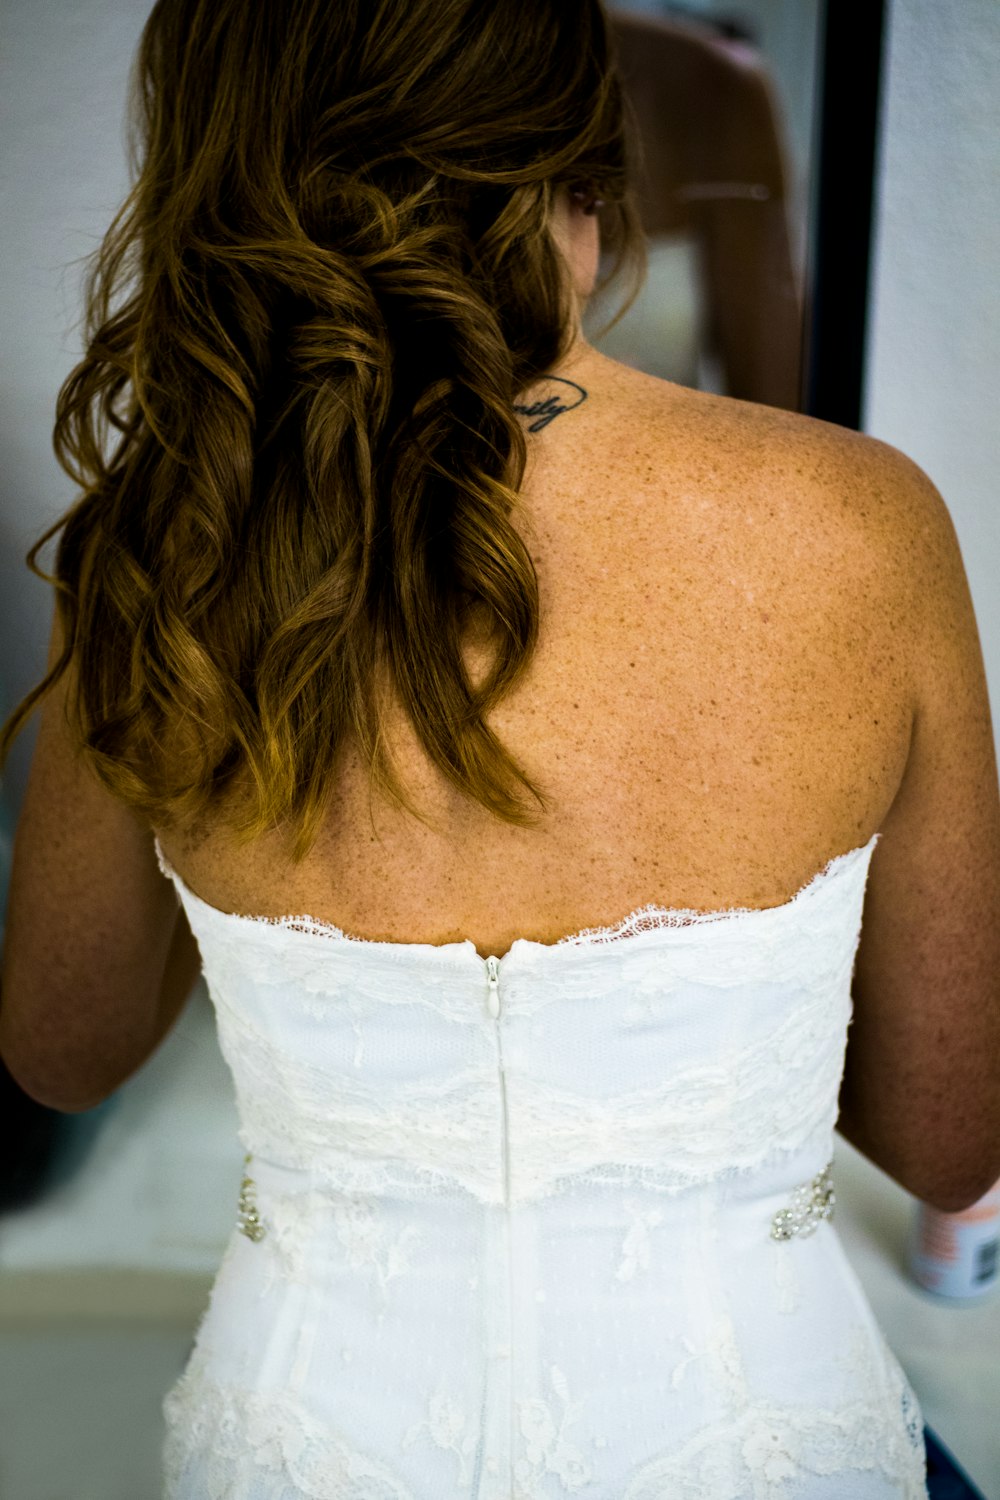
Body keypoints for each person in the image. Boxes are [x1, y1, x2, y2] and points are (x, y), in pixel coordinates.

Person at [0, 1, 997, 1496]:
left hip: (299, 1449)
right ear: (579, 171)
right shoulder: (857, 525)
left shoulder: (167, 546)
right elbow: (951, 1139)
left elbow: (62, 1050)